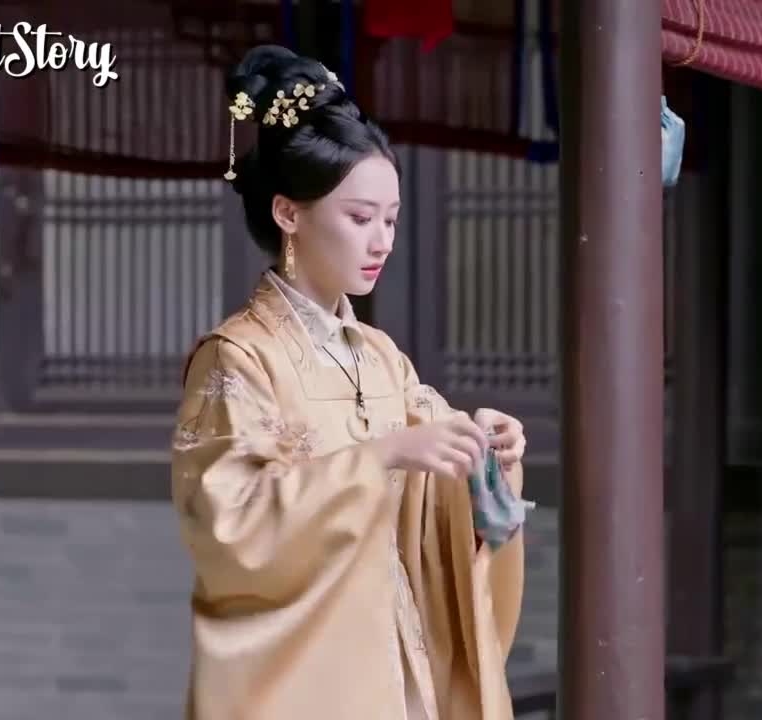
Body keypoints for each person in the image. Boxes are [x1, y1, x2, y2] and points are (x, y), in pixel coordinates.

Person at [171, 45, 532, 720]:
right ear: (289, 213)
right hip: (302, 682)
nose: (382, 241)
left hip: (398, 668)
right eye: (360, 218)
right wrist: (383, 455)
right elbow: (228, 524)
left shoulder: (382, 357)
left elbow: (435, 489)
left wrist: (484, 452)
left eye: (391, 219)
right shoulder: (238, 359)